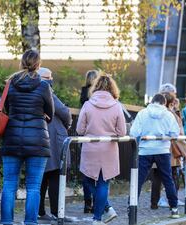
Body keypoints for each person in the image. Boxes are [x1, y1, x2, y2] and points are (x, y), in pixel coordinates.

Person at [0, 50, 54, 225]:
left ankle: (6, 222)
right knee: (33, 187)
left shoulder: (10, 84)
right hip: (37, 140)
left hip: (12, 138)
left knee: (9, 185)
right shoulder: (44, 86)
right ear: (38, 65)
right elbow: (50, 113)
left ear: (21, 63)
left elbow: (6, 108)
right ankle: (30, 222)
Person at [76, 74, 126, 225]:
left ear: (95, 87)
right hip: (109, 149)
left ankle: (105, 211)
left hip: (90, 148)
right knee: (103, 183)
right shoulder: (117, 106)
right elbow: (122, 132)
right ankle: (99, 217)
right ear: (112, 88)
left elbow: (79, 130)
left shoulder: (87, 104)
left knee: (88, 181)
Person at [130, 94, 180, 219]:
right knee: (168, 180)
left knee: (138, 180)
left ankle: (131, 208)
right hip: (162, 150)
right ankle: (174, 208)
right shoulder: (168, 115)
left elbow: (134, 132)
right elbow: (175, 133)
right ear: (164, 103)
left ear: (151, 102)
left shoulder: (142, 113)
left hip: (145, 150)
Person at [36, 67, 72, 222]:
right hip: (53, 139)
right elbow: (63, 111)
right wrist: (68, 123)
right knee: (55, 177)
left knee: (41, 178)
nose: (51, 79)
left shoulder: (31, 92)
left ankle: (40, 211)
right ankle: (57, 213)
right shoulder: (47, 91)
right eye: (49, 77)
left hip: (37, 138)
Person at [151, 84, 185, 209]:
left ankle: (154, 202)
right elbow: (178, 130)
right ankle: (172, 201)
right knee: (172, 175)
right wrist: (176, 111)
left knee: (157, 175)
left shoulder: (151, 111)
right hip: (170, 149)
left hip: (154, 147)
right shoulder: (171, 114)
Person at [79, 69, 99, 213]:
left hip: (87, 136)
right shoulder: (103, 94)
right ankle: (100, 203)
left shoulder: (84, 94)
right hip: (103, 138)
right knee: (102, 175)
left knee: (87, 173)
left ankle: (87, 203)